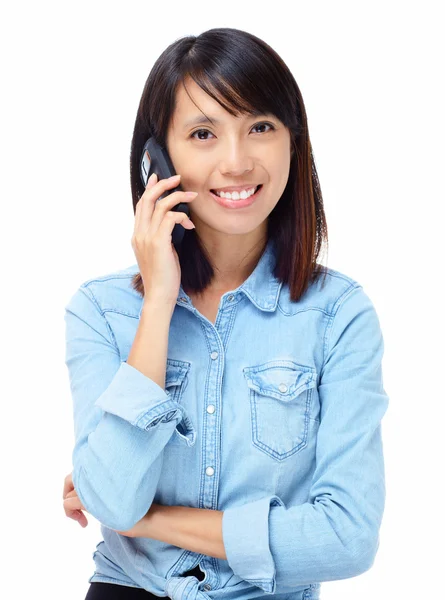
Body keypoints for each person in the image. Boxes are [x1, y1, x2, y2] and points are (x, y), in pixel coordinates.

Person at [62, 27, 389, 600]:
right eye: (203, 133)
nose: (237, 162)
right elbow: (111, 500)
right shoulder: (102, 312)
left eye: (260, 127)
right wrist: (159, 302)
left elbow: (347, 538)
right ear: (155, 160)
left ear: (294, 142)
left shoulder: (338, 317)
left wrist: (151, 520)